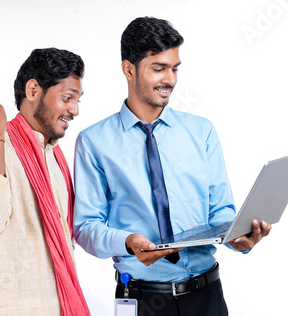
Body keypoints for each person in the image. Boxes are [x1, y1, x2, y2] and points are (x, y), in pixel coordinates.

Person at [73, 17, 272, 315]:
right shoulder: (94, 142)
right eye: (158, 68)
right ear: (129, 69)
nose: (170, 79)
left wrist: (239, 239)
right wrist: (127, 242)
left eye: (174, 68)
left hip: (207, 297)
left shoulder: (201, 131)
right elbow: (85, 227)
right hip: (142, 300)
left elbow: (220, 212)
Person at [0, 48, 90, 316]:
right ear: (33, 90)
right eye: (67, 98)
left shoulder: (55, 157)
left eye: (77, 100)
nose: (75, 110)